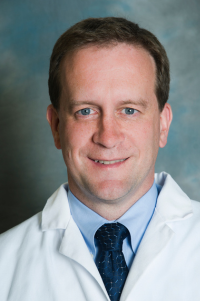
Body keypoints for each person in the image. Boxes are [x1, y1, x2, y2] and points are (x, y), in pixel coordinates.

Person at [0, 17, 200, 301]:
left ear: (163, 125)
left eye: (129, 110)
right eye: (86, 111)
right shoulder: (4, 267)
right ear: (56, 126)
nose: (107, 137)